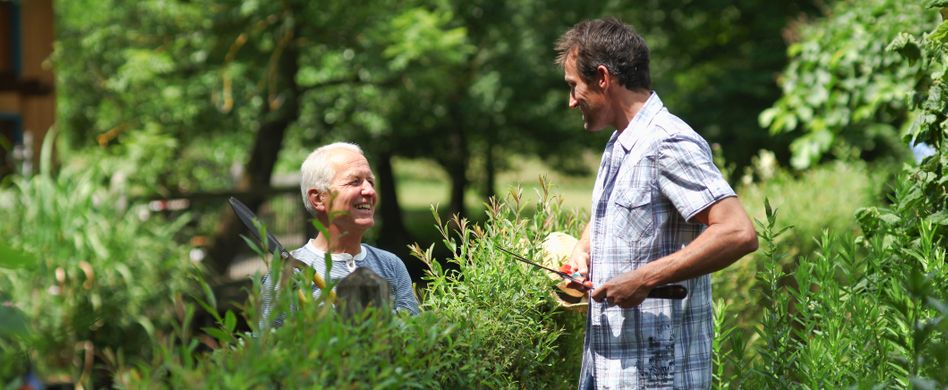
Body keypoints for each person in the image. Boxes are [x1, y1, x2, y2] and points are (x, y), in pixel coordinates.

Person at [555, 18, 759, 389]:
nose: (571, 102)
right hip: (606, 371)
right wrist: (583, 252)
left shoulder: (667, 143)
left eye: (574, 87)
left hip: (657, 378)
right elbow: (619, 213)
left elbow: (738, 232)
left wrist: (645, 278)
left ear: (603, 78)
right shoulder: (619, 144)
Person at [260, 142, 419, 326]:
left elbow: (414, 339)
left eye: (371, 181)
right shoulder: (285, 275)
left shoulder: (391, 265)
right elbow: (267, 348)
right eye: (355, 181)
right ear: (319, 198)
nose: (369, 190)